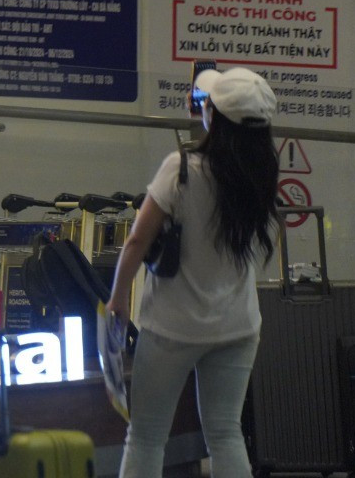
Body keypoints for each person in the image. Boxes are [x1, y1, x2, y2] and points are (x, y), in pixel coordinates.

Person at [107, 66, 278, 478]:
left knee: (147, 435)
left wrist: (117, 299)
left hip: (173, 328)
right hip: (238, 326)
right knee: (225, 434)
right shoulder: (264, 173)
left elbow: (136, 242)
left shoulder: (181, 168)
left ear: (215, 118)